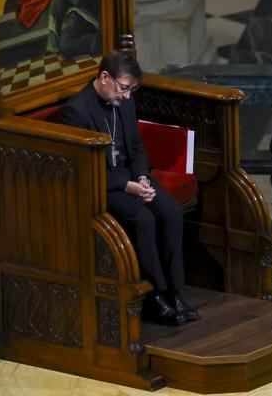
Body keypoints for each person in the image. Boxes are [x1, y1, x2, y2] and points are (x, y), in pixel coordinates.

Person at [60, 52, 197, 326]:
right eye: (124, 87)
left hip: (132, 177)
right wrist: (127, 186)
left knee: (171, 212)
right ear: (104, 77)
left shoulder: (125, 102)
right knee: (144, 219)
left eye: (131, 89)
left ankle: (174, 292)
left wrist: (143, 177)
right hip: (102, 184)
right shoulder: (77, 111)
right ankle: (154, 297)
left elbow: (136, 148)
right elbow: (84, 170)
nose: (126, 95)